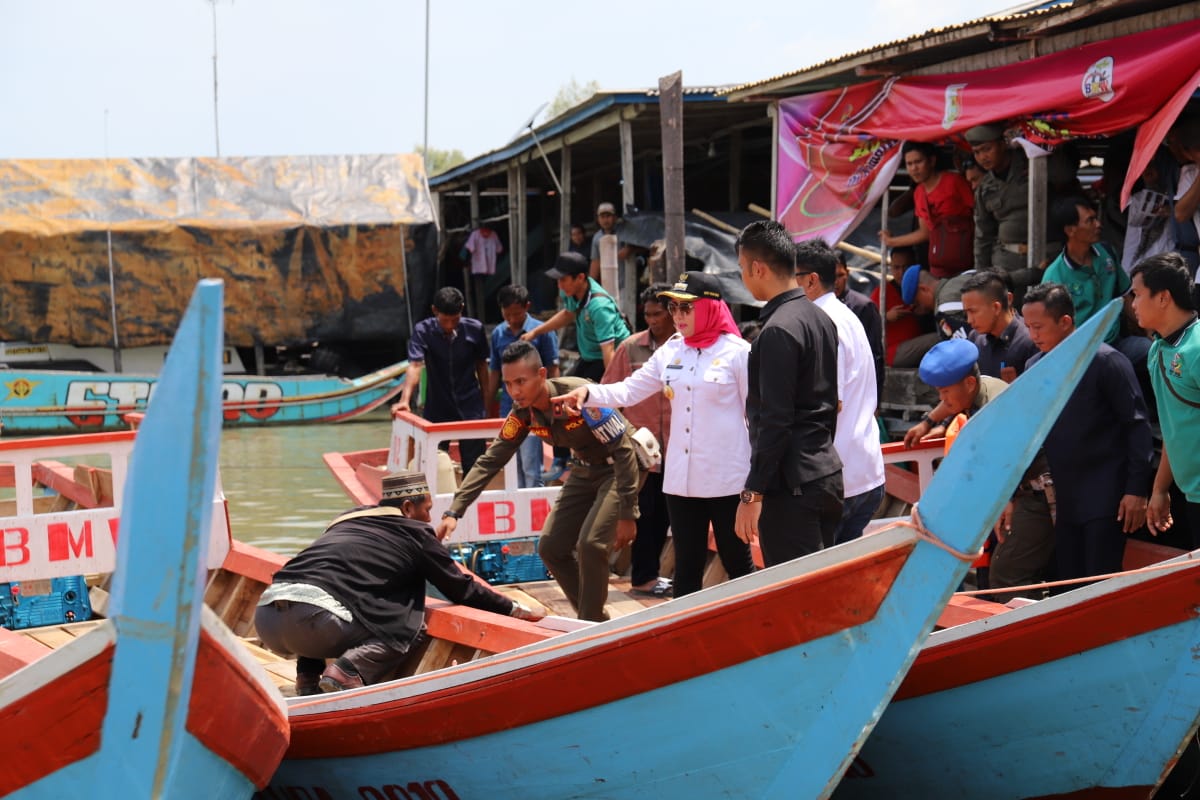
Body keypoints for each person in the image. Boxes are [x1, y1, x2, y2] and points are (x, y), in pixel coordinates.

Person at [554, 272, 754, 598]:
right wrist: (586, 395)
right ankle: (685, 635)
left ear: (709, 308)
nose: (677, 316)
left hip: (726, 479)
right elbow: (630, 391)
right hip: (681, 478)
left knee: (737, 560)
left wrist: (757, 482)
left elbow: (756, 413)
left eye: (686, 308)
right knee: (686, 564)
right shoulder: (672, 351)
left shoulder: (738, 352)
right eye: (674, 307)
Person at [254, 471, 543, 695]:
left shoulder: (345, 519)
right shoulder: (415, 531)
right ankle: (347, 673)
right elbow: (460, 587)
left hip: (266, 617)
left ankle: (306, 680)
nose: (429, 518)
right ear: (407, 507)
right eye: (427, 509)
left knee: (331, 591)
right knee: (408, 625)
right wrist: (513, 608)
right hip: (316, 623)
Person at [436, 341, 642, 621]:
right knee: (550, 548)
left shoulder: (578, 395)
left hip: (620, 467)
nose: (514, 391)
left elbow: (624, 451)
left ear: (542, 375)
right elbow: (490, 460)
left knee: (591, 545)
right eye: (508, 384)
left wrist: (628, 513)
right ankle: (594, 619)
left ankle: (590, 624)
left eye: (521, 381)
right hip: (583, 468)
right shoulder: (522, 413)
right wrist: (454, 511)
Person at [1022, 282, 1153, 582]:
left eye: (1039, 327)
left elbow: (1137, 426)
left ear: (1066, 322)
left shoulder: (1107, 361)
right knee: (1069, 581)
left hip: (1107, 493)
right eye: (1028, 327)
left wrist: (1136, 489)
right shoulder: (1034, 366)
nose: (1033, 335)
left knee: (1099, 580)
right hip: (1064, 496)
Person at [733, 221, 843, 565]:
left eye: (741, 269)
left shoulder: (778, 330)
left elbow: (775, 419)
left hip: (792, 484)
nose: (743, 278)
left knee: (800, 601)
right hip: (824, 472)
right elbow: (829, 406)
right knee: (818, 589)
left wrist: (753, 492)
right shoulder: (820, 318)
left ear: (757, 268)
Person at [796, 240, 886, 544]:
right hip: (861, 471)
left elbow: (827, 403)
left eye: (789, 278)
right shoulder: (846, 316)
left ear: (810, 280)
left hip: (837, 479)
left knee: (817, 582)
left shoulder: (821, 323)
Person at [594, 284, 676, 597]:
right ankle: (643, 578)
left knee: (670, 516)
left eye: (658, 314)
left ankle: (652, 577)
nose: (653, 320)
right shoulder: (630, 349)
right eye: (648, 315)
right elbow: (608, 393)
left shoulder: (684, 348)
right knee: (646, 515)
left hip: (678, 448)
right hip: (640, 451)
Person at [1131, 252, 1200, 548]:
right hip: (1190, 493)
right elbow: (1173, 428)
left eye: (1137, 295)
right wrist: (1160, 489)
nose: (1132, 304)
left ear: (1163, 298)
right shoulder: (1156, 351)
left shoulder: (1197, 348)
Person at [392, 287, 490, 476]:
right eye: (445, 320)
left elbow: (482, 367)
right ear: (435, 311)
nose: (450, 325)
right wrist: (404, 400)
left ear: (462, 309)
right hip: (438, 405)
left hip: (470, 404)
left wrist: (485, 402)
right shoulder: (423, 331)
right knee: (432, 462)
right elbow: (415, 365)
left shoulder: (474, 329)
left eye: (455, 319)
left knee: (475, 464)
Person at [488, 284, 559, 488]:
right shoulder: (498, 334)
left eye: (516, 314)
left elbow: (553, 370)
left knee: (530, 466)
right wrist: (488, 406)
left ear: (527, 307)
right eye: (507, 314)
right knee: (512, 465)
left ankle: (536, 516)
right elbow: (494, 372)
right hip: (508, 409)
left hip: (534, 409)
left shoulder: (542, 332)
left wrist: (552, 404)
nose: (511, 319)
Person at [521, 251, 631, 382]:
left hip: (611, 358)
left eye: (563, 279)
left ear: (580, 277)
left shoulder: (599, 307)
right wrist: (535, 332)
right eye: (558, 280)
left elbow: (608, 350)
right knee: (570, 391)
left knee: (585, 396)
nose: (560, 285)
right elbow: (568, 314)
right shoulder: (570, 291)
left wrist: (612, 387)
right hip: (589, 355)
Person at [968, 123, 1040, 299]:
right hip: (1007, 263)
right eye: (977, 152)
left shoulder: (1032, 162)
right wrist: (981, 278)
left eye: (987, 149)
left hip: (1043, 257)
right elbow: (983, 236)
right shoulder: (985, 188)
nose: (982, 157)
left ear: (1002, 144)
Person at [882, 142, 974, 278]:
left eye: (918, 162)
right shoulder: (919, 192)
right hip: (939, 265)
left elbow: (979, 214)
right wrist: (892, 242)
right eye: (909, 164)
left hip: (966, 260)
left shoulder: (954, 182)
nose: (914, 168)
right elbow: (925, 233)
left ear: (932, 161)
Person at [902, 337, 1007, 450]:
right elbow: (951, 404)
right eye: (940, 391)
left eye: (945, 391)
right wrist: (927, 423)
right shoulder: (979, 386)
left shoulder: (993, 412)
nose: (942, 397)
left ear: (969, 383)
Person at [960, 270, 1038, 382]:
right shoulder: (975, 338)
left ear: (996, 307)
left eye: (973, 311)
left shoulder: (1030, 341)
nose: (969, 320)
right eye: (966, 313)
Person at [893, 265, 974, 368]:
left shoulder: (944, 308)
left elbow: (966, 351)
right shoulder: (966, 275)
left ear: (924, 289)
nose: (919, 309)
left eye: (917, 303)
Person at [835, 250, 884, 402]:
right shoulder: (815, 306)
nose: (835, 282)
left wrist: (875, 401)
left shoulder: (862, 306)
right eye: (830, 277)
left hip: (856, 391)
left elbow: (874, 356)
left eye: (840, 275)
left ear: (847, 273)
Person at [872, 247, 923, 366]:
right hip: (892, 352)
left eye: (906, 267)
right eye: (896, 268)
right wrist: (886, 317)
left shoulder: (921, 288)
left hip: (914, 344)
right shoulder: (882, 292)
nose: (901, 273)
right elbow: (866, 323)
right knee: (937, 339)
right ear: (890, 268)